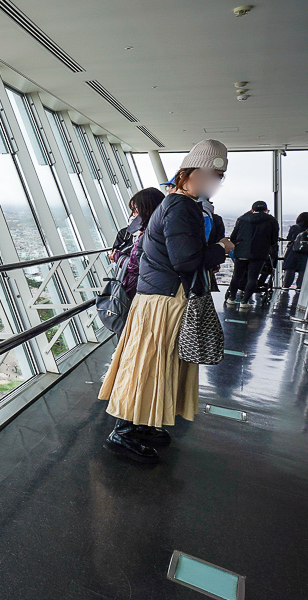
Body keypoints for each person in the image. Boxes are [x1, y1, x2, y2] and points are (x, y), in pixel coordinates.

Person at [98, 139, 235, 463]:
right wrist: (223, 248)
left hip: (160, 296)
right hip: (163, 299)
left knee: (155, 363)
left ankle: (139, 425)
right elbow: (186, 261)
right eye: (210, 176)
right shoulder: (180, 207)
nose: (213, 184)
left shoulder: (176, 203)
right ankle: (124, 432)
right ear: (190, 173)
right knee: (149, 365)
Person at [224, 200, 280, 309]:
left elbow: (234, 236)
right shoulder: (271, 221)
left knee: (237, 276)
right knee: (252, 278)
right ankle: (244, 301)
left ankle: (231, 298)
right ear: (265, 210)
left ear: (252, 210)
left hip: (241, 252)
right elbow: (274, 239)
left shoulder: (242, 219)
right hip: (259, 253)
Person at [113, 187, 164, 298]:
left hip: (147, 289)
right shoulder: (161, 227)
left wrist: (117, 256)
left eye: (136, 210)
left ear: (148, 208)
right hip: (156, 286)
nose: (134, 215)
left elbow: (134, 264)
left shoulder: (149, 233)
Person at [282, 212, 308, 291]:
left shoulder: (295, 227)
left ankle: (285, 289)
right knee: (302, 272)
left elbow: (290, 238)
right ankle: (299, 289)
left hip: (293, 252)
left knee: (290, 271)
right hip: (305, 253)